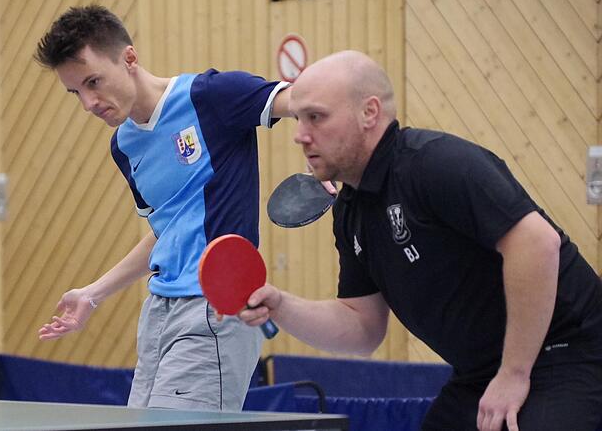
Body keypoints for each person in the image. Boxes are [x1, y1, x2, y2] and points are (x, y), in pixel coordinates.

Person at [238, 50, 602, 431]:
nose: (300, 134)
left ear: (369, 113)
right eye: (298, 119)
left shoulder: (434, 164)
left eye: (316, 117)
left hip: (568, 353)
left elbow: (537, 244)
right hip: (482, 371)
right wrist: (281, 305)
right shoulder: (352, 209)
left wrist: (513, 372)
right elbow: (362, 328)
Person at [33, 5, 299, 411]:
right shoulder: (123, 146)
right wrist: (93, 293)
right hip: (158, 314)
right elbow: (166, 232)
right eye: (76, 92)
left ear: (129, 58)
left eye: (93, 82)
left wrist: (331, 167)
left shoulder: (210, 97)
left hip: (214, 311)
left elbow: (305, 100)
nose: (88, 102)